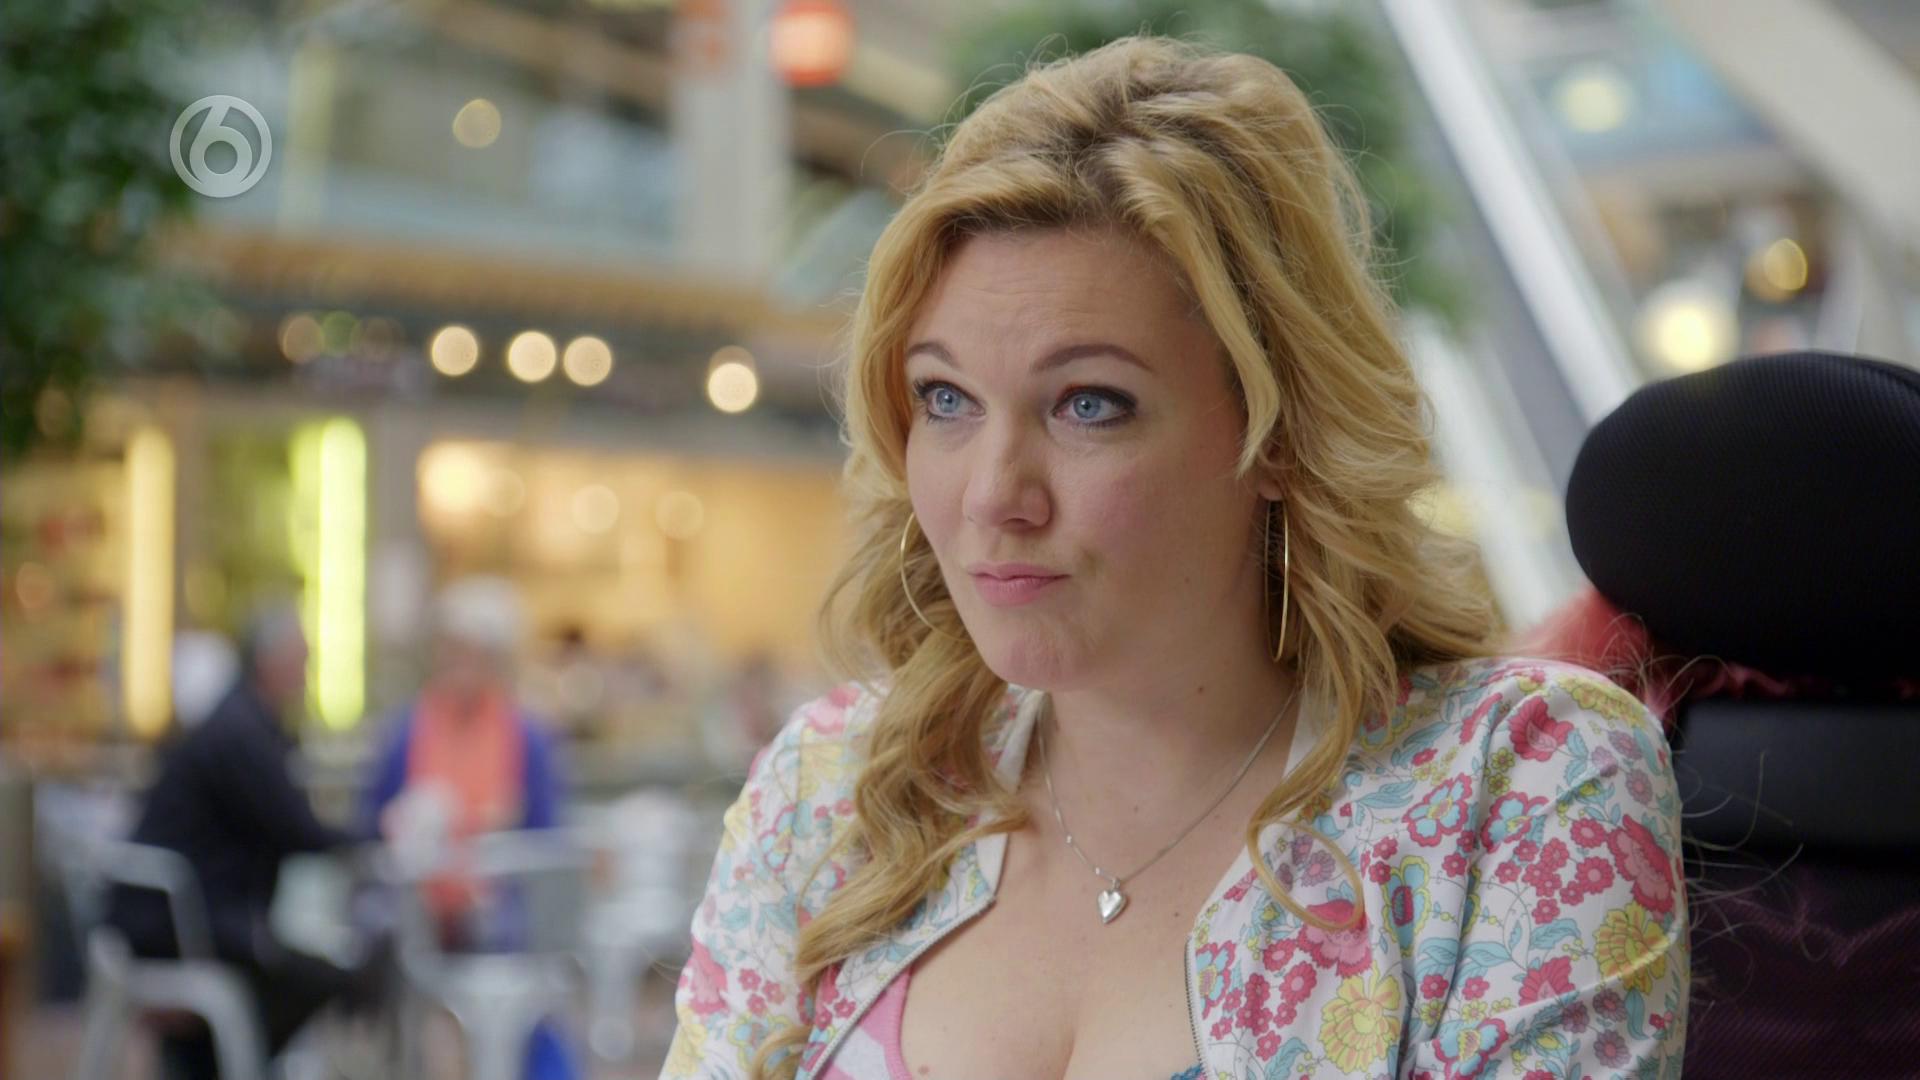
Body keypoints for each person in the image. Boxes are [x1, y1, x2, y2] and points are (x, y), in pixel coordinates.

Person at [663, 36, 1686, 1080]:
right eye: (946, 398)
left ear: (1279, 433)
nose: (992, 495)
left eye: (1088, 404)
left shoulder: (1521, 790)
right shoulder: (832, 793)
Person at [108, 604, 385, 1079]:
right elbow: (296, 829)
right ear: (271, 662)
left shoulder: (238, 722)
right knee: (333, 976)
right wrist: (373, 837)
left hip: (181, 919)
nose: (306, 674)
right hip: (181, 930)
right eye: (301, 660)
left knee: (311, 972)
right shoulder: (240, 733)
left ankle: (209, 1061)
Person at [361, 575, 577, 1080]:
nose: (457, 664)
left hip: (499, 914)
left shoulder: (527, 738)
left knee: (526, 986)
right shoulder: (404, 732)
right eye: (450, 649)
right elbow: (367, 826)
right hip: (417, 911)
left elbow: (550, 842)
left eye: (471, 652)